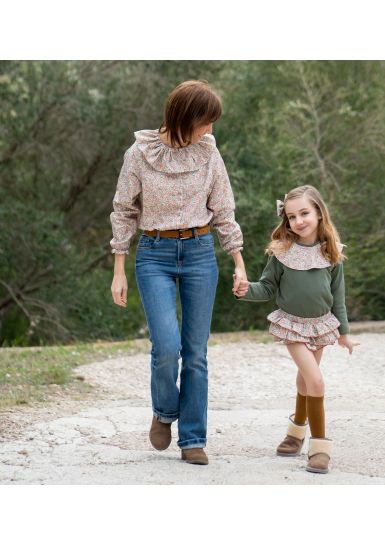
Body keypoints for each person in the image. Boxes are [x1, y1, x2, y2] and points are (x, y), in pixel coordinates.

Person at [110, 80, 246, 466]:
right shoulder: (140, 153)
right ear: (185, 117)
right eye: (206, 122)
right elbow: (124, 210)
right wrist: (119, 268)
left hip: (201, 253)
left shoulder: (208, 153)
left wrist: (238, 262)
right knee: (167, 347)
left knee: (197, 353)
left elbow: (223, 209)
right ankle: (164, 411)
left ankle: (193, 439)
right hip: (154, 253)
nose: (211, 130)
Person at [234, 184, 359, 474]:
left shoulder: (331, 253)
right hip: (292, 326)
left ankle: (295, 433)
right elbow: (266, 288)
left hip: (320, 326)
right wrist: (244, 289)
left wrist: (344, 333)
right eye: (291, 217)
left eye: (304, 213)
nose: (298, 221)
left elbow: (337, 295)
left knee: (305, 382)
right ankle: (320, 448)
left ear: (318, 213)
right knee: (315, 381)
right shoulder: (282, 252)